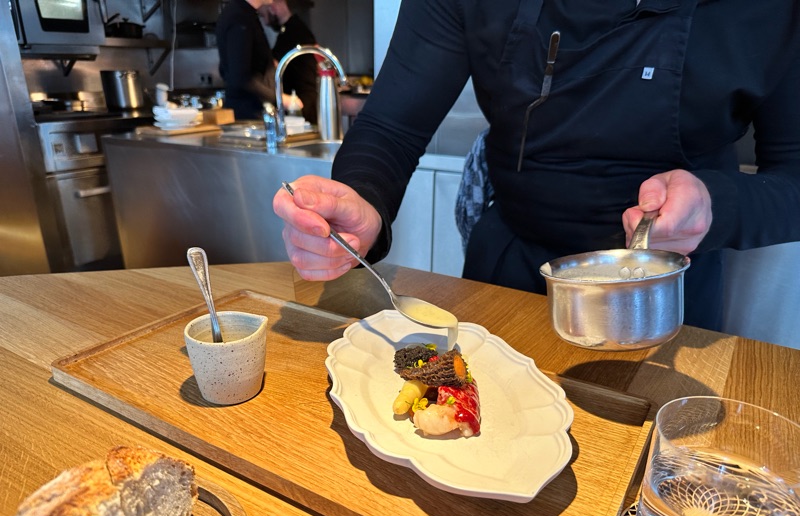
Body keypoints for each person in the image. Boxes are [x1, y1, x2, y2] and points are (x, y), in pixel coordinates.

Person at [272, 0, 800, 332]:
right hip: (509, 277)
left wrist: (717, 203)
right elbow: (392, 126)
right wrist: (362, 196)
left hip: (664, 298)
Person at [216, 0, 279, 120]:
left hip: (249, 113)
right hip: (247, 116)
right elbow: (240, 78)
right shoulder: (239, 17)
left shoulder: (243, 14)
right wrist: (279, 98)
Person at [264, 0, 319, 125]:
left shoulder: (292, 31)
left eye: (263, 15)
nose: (265, 22)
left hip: (300, 103)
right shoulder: (294, 28)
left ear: (272, 7)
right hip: (303, 101)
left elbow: (272, 66)